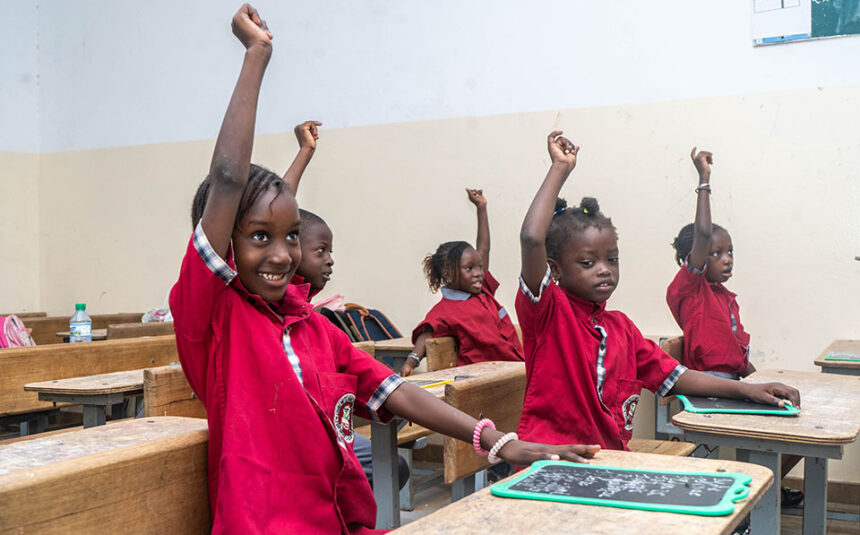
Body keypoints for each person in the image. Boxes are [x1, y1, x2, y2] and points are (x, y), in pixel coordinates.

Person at [170, 9, 598, 532]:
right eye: (260, 237)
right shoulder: (214, 319)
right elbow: (230, 178)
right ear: (219, 243)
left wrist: (502, 441)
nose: (282, 254)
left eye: (289, 238)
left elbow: (396, 391)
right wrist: (257, 57)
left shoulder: (313, 331)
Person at [514, 130, 800, 452]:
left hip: (607, 461)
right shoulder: (548, 313)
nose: (604, 269)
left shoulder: (621, 329)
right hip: (551, 463)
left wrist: (750, 389)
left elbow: (677, 376)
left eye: (612, 259)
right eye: (587, 262)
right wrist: (560, 169)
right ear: (555, 269)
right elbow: (531, 239)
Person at [667, 148, 803, 507]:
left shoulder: (726, 298)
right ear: (691, 260)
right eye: (715, 253)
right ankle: (747, 504)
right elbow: (701, 234)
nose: (726, 259)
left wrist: (766, 379)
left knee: (799, 421)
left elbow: (738, 359)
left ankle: (761, 495)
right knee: (791, 428)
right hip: (706, 390)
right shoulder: (688, 292)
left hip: (732, 386)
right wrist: (704, 182)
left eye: (730, 252)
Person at [400, 189, 524, 377]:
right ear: (449, 274)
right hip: (485, 381)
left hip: (515, 370)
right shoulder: (444, 311)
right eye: (469, 269)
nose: (478, 274)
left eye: (479, 267)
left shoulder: (484, 291)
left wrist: (482, 208)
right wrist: (411, 362)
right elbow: (426, 335)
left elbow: (484, 248)